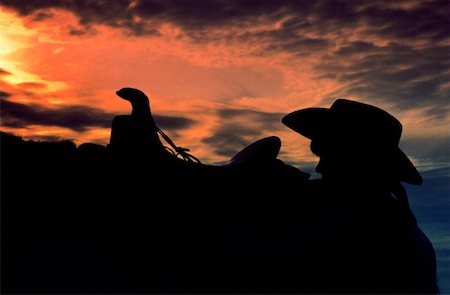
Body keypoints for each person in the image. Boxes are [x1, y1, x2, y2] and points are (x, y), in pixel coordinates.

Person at [282, 99, 437, 293]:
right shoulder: (399, 228)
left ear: (360, 163)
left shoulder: (377, 236)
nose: (319, 167)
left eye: (330, 157)